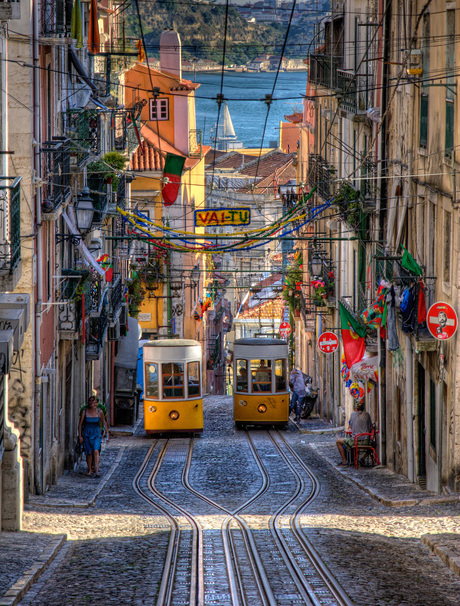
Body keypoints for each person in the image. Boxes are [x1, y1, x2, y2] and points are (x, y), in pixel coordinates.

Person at [78, 396, 109, 477]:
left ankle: (97, 470)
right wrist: (80, 436)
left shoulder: (100, 412)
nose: (94, 404)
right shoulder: (84, 411)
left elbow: (102, 422)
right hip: (87, 433)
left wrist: (104, 432)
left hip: (96, 433)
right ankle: (89, 470)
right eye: (92, 402)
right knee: (89, 452)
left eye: (95, 402)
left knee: (96, 451)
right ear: (89, 403)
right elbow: (80, 424)